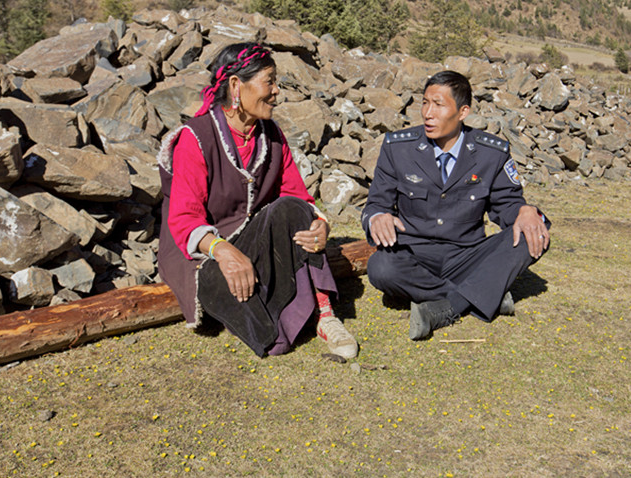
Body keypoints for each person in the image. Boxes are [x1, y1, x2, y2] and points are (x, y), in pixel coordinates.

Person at [157, 42, 358, 359]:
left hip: (250, 239)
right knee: (254, 321)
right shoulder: (195, 139)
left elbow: (297, 195)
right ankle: (279, 315)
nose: (277, 91)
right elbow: (184, 219)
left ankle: (324, 314)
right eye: (269, 82)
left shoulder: (271, 134)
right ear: (236, 86)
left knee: (294, 210)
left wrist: (320, 225)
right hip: (203, 253)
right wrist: (223, 252)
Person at [362, 70, 551, 340]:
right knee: (381, 268)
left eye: (438, 105)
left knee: (536, 229)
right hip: (414, 255)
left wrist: (524, 211)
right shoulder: (397, 148)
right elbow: (375, 204)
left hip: (468, 256)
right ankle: (486, 294)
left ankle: (450, 307)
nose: (428, 113)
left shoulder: (491, 153)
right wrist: (377, 217)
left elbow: (507, 205)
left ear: (463, 112)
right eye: (425, 103)